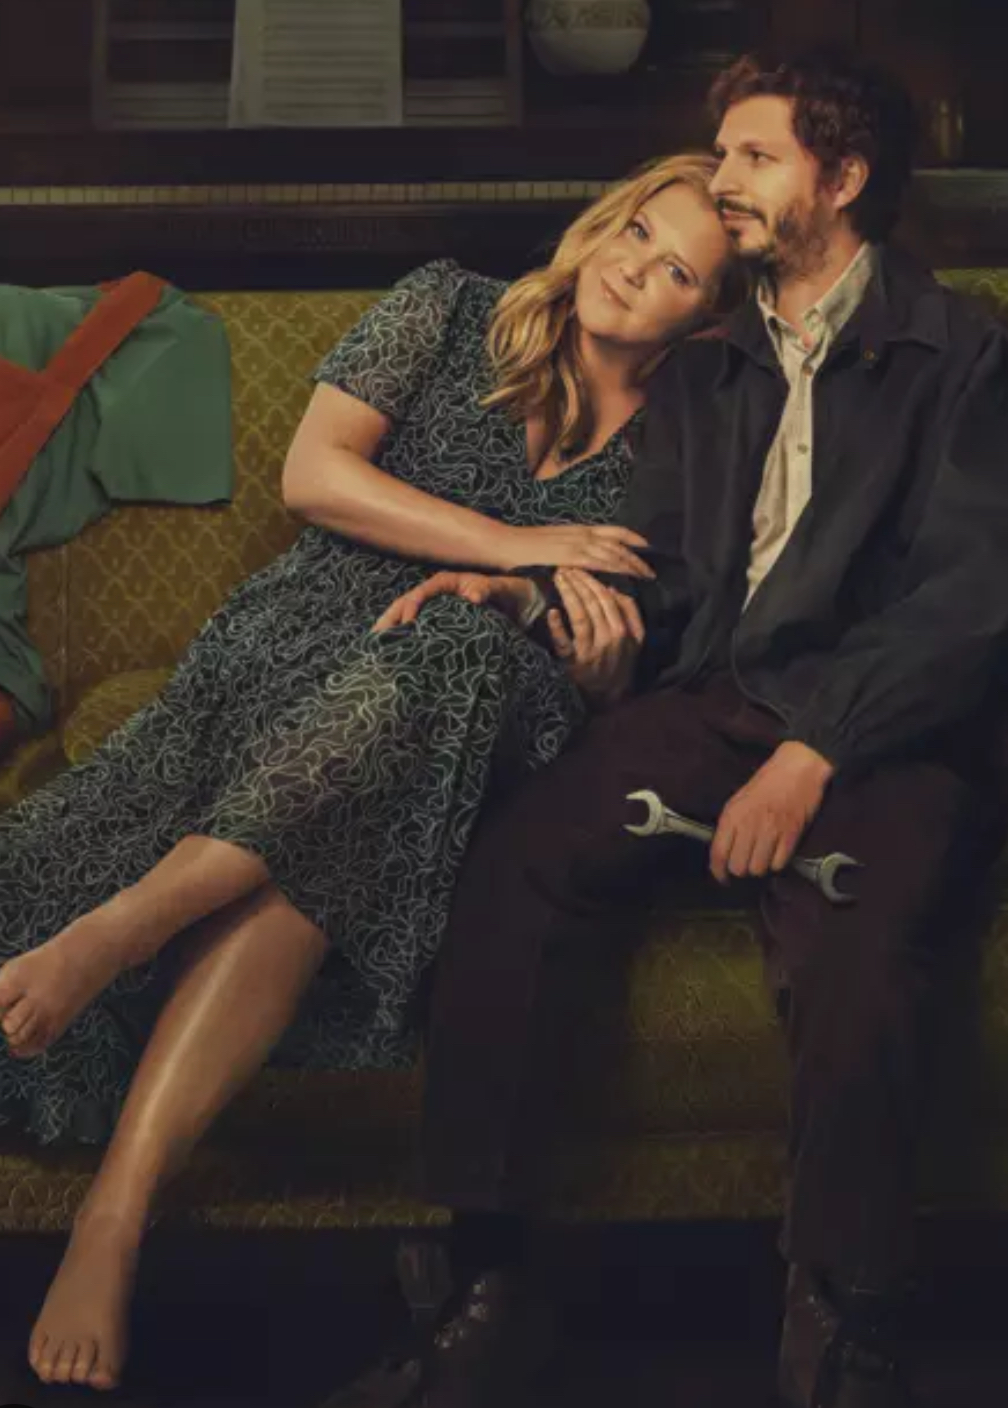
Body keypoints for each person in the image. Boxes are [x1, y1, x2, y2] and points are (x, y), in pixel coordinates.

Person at [0, 155, 736, 1392]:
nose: (632, 268)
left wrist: (599, 665)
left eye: (677, 272)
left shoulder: (692, 444)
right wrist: (516, 543)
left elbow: (635, 653)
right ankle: (114, 1213)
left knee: (455, 648)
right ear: (603, 220)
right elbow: (316, 475)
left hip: (485, 709)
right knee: (310, 847)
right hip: (303, 653)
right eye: (635, 231)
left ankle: (126, 928)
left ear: (705, 319)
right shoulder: (446, 305)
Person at [369, 47, 1008, 1408]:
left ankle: (845, 1317)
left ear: (844, 177)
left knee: (860, 948)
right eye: (723, 156)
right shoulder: (711, 358)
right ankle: (492, 1280)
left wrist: (815, 752)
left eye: (756, 159)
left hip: (889, 730)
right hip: (716, 704)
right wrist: (533, 597)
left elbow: (973, 598)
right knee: (520, 861)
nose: (724, 183)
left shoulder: (967, 348)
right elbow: (661, 569)